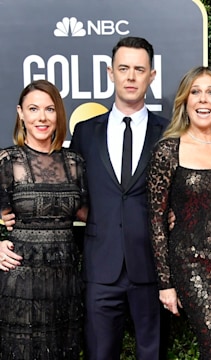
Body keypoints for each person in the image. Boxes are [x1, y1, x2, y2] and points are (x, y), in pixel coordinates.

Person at [1, 36, 170, 359]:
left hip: (151, 268)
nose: (131, 76)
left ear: (152, 75)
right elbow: (68, 197)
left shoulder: (169, 133)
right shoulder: (85, 133)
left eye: (139, 69)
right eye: (123, 68)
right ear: (110, 73)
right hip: (97, 270)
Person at [147, 66, 211, 358]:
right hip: (192, 268)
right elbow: (156, 221)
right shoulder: (169, 150)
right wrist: (165, 283)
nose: (203, 100)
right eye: (195, 92)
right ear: (184, 100)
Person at [0, 80, 87, 358]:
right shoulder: (8, 160)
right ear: (21, 113)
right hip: (21, 281)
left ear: (58, 114)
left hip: (66, 278)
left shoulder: (74, 162)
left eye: (50, 109)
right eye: (34, 109)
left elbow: (91, 213)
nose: (42, 117)